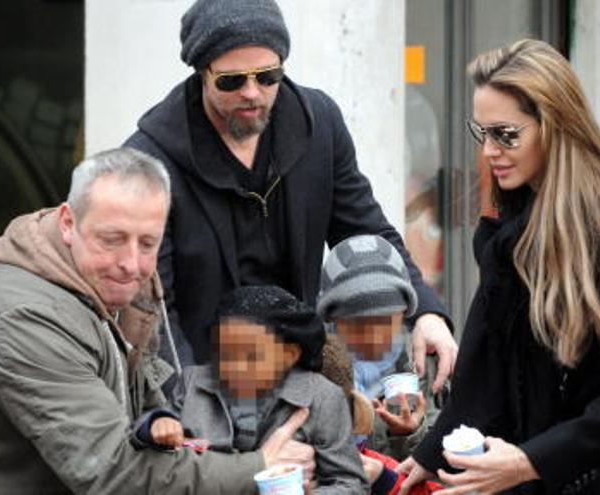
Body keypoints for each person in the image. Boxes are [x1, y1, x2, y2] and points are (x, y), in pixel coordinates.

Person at [0, 148, 315, 494]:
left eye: (148, 243)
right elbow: (111, 475)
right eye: (112, 240)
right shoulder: (24, 318)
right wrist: (256, 468)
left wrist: (163, 424)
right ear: (68, 223)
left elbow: (138, 415)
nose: (131, 263)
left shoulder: (109, 291)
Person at [124, 0, 456, 393]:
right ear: (201, 73)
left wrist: (427, 311)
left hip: (303, 376)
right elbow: (153, 308)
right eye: (231, 81)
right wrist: (192, 411)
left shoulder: (319, 123)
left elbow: (365, 229)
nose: (252, 93)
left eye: (268, 76)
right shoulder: (150, 161)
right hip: (204, 383)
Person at [399, 39, 600, 495]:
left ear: (555, 125)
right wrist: (433, 451)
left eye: (507, 134)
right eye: (483, 134)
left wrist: (529, 461)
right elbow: (488, 353)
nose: (490, 151)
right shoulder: (509, 225)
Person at [136, 285, 368, 494]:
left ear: (289, 355)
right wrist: (157, 424)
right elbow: (150, 446)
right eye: (225, 355)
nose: (235, 367)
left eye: (252, 356)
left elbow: (351, 483)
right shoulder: (193, 382)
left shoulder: (322, 398)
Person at [316, 235, 444, 495]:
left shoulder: (424, 362)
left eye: (385, 322)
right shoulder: (314, 364)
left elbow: (447, 467)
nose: (373, 337)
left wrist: (410, 433)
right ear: (332, 317)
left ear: (404, 313)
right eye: (359, 325)